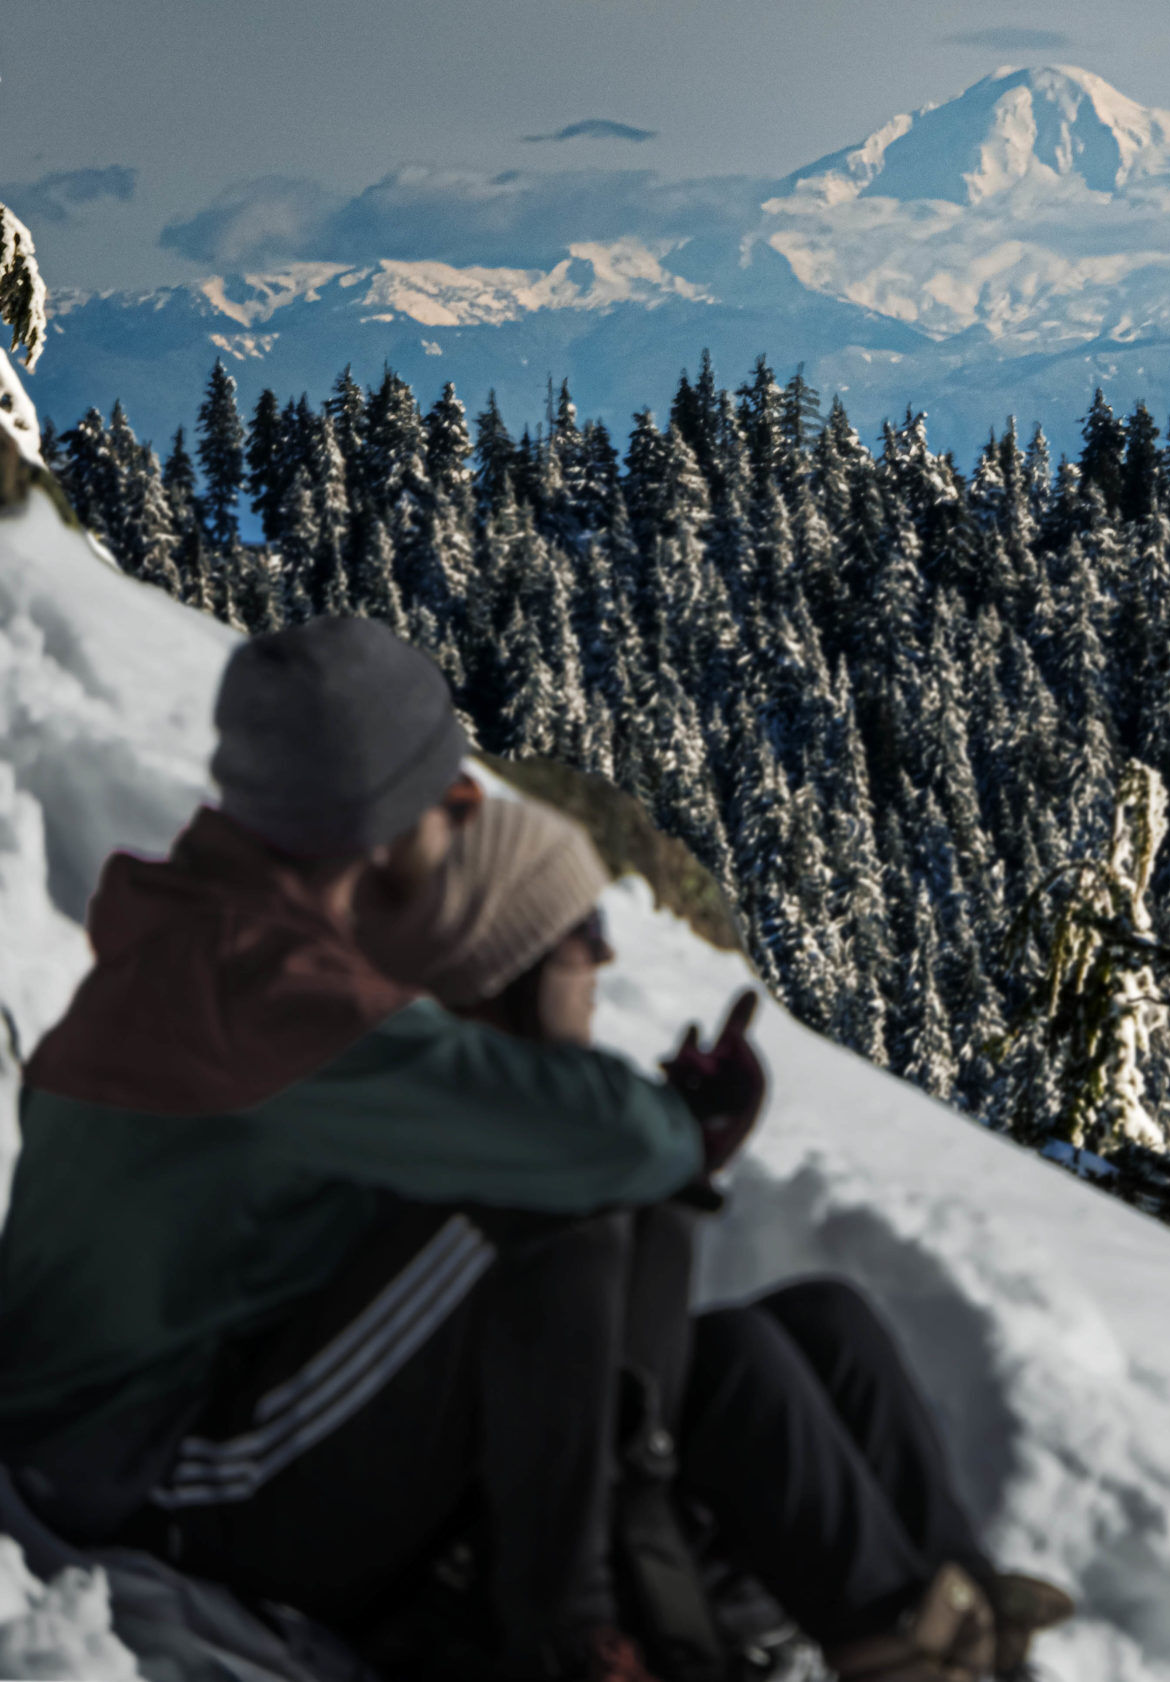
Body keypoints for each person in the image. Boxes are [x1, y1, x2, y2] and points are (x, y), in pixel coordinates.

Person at [0, 618, 776, 1680]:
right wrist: (682, 1124)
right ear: (380, 813)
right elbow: (571, 1139)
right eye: (446, 790)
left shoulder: (204, 943)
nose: (463, 812)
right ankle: (560, 1641)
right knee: (548, 1205)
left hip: (108, 1430)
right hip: (136, 1473)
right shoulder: (272, 988)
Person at [369, 796, 1072, 1682]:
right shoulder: (467, 1121)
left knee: (828, 1319)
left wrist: (682, 1163)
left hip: (577, 1451)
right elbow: (575, 1349)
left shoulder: (518, 1114)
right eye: (578, 930)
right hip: (493, 1518)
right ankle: (904, 1647)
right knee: (735, 1359)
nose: (602, 955)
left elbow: (620, 1322)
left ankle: (966, 1614)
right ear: (511, 953)